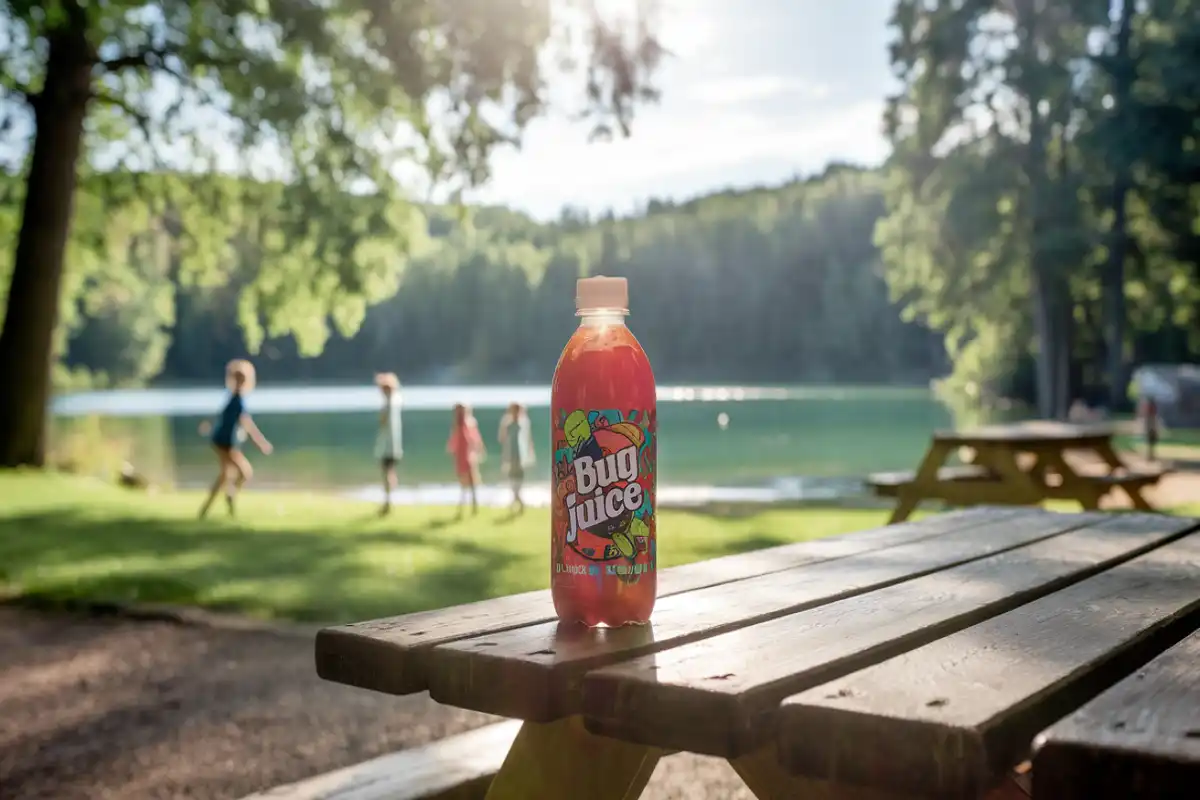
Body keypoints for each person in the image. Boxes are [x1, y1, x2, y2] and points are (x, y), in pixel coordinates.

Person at [198, 359, 272, 519]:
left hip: (226, 442)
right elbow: (247, 423)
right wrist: (261, 443)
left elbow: (222, 416)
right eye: (238, 379)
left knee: (226, 475)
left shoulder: (233, 399)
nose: (240, 383)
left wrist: (208, 424)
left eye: (243, 380)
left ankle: (206, 509)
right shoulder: (236, 400)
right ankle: (229, 496)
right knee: (244, 473)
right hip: (224, 443)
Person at [446, 403, 485, 517]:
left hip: (469, 454)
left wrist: (479, 449)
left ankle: (474, 505)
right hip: (460, 455)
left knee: (472, 479)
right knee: (463, 481)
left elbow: (476, 438)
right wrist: (451, 449)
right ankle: (463, 505)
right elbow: (454, 438)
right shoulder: (456, 425)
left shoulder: (470, 422)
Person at [374, 372, 403, 515]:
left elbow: (383, 421)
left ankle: (388, 501)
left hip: (388, 446)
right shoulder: (396, 401)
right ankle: (389, 499)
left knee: (386, 472)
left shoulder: (388, 404)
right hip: (394, 445)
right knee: (389, 472)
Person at [498, 402, 536, 514]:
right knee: (512, 479)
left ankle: (517, 501)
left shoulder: (523, 422)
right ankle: (518, 501)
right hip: (511, 455)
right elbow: (502, 439)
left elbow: (528, 440)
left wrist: (530, 455)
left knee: (518, 479)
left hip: (520, 456)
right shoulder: (507, 423)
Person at [1138, 395, 1161, 461]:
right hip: (1151, 425)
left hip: (1151, 425)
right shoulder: (1151, 412)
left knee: (1151, 442)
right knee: (1150, 442)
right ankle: (1150, 456)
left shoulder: (1151, 413)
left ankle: (1150, 456)